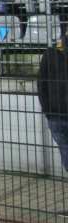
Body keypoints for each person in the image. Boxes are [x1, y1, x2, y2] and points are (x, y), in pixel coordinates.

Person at [38, 31, 68, 177]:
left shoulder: (49, 55)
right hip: (55, 115)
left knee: (65, 148)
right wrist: (48, 111)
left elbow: (41, 85)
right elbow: (42, 84)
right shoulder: (50, 55)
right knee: (65, 148)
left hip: (55, 114)